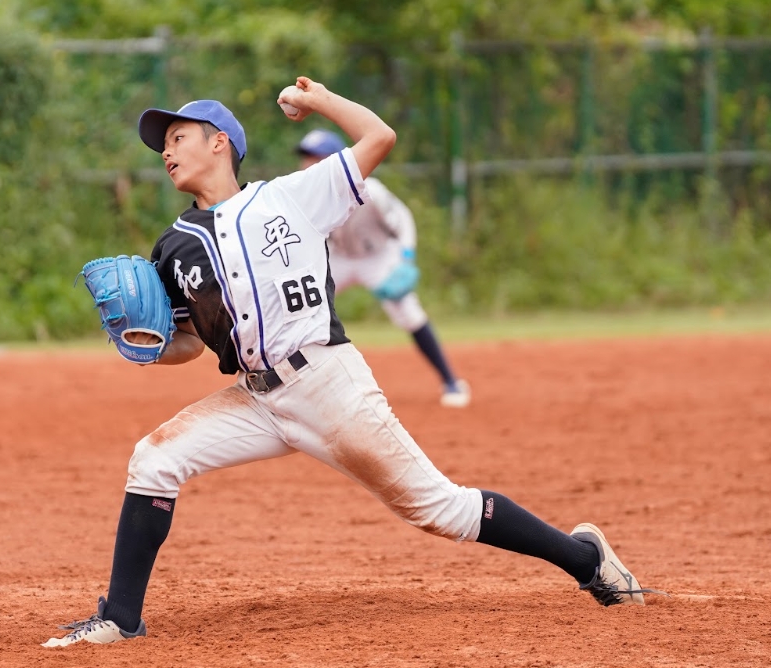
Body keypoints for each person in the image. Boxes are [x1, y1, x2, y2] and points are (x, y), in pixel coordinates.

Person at [42, 75, 661, 648]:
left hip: (329, 385)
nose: (167, 152)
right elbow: (194, 344)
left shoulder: (293, 197)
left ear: (220, 144)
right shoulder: (175, 245)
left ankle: (586, 559)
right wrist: (148, 349)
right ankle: (121, 618)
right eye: (163, 145)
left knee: (440, 510)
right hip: (256, 399)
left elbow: (379, 136)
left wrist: (318, 99)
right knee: (155, 458)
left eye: (178, 138)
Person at [296, 128, 470, 408]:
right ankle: (299, 389)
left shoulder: (370, 191)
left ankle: (450, 380)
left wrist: (406, 257)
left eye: (315, 158)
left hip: (377, 257)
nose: (307, 164)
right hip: (337, 258)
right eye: (305, 157)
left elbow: (401, 218)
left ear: (336, 160)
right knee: (304, 310)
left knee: (408, 313)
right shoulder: (304, 194)